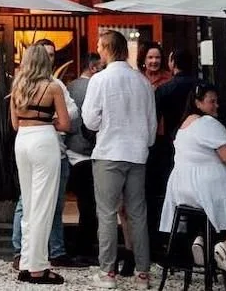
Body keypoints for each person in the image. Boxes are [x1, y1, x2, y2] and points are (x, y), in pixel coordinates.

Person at [82, 30, 157, 289]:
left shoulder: (99, 80)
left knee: (106, 213)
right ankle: (143, 274)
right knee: (138, 214)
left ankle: (108, 273)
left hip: (109, 152)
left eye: (99, 47)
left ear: (106, 48)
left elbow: (90, 120)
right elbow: (151, 125)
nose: (98, 51)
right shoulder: (143, 82)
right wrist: (142, 142)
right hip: (137, 153)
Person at [160, 83, 226, 275]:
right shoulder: (208, 123)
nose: (216, 105)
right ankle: (225, 247)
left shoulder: (185, 124)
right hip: (207, 187)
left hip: (182, 190)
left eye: (217, 101)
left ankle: (202, 239)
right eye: (211, 101)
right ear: (198, 103)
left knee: (209, 212)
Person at [12, 39, 79, 271]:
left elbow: (14, 124)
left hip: (22, 141)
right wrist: (46, 121)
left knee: (28, 203)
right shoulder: (53, 87)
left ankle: (25, 260)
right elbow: (66, 124)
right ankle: (38, 266)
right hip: (44, 141)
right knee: (44, 204)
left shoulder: (18, 86)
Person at [65, 53, 103, 259]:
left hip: (72, 150)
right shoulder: (97, 86)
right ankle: (86, 247)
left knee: (84, 201)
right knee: (91, 204)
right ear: (93, 67)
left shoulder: (70, 87)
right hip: (90, 151)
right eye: (102, 67)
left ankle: (80, 247)